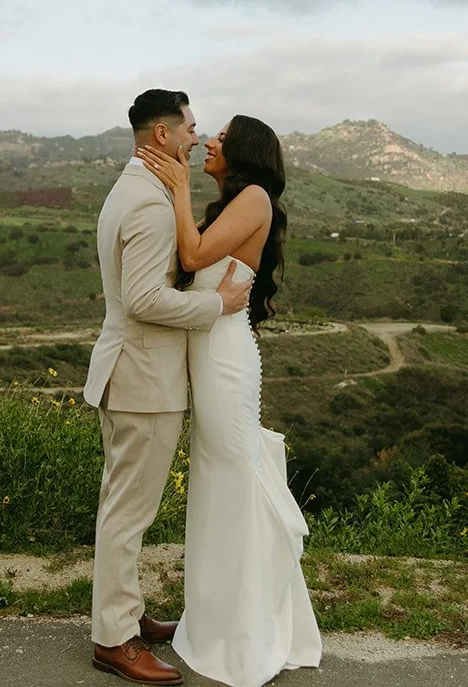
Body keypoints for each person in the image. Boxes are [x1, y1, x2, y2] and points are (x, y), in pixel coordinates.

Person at [136, 114, 322, 687]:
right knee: (217, 480)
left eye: (220, 136)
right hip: (208, 351)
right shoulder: (234, 203)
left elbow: (192, 259)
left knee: (234, 478)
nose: (209, 141)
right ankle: (218, 619)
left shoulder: (256, 198)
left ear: (242, 151)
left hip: (224, 358)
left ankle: (248, 627)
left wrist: (179, 186)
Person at [85, 89, 254, 686]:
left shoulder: (134, 188)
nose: (195, 137)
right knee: (128, 512)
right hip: (143, 378)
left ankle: (124, 614)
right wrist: (217, 303)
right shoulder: (151, 203)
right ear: (162, 135)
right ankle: (115, 640)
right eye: (189, 128)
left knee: (123, 505)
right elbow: (144, 299)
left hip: (132, 371)